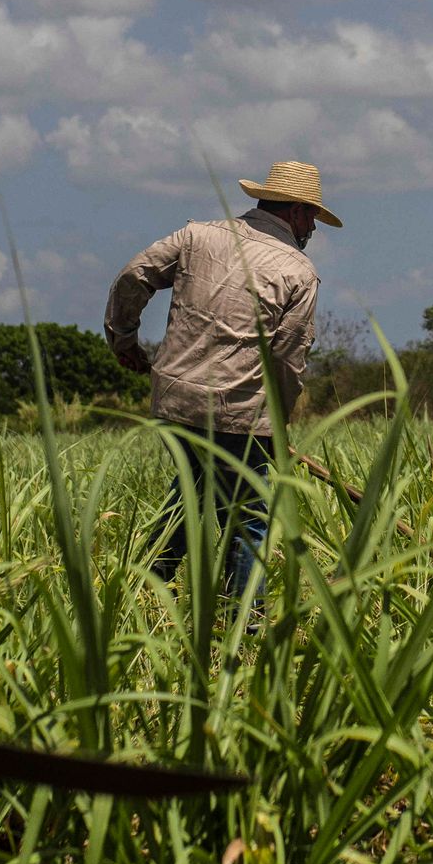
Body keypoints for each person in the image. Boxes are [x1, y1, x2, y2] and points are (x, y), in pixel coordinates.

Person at [105, 162, 336, 604]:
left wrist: (123, 339)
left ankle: (147, 590)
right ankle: (244, 623)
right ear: (297, 213)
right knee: (249, 516)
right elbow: (288, 360)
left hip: (174, 401)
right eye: (311, 217)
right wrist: (277, 426)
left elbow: (135, 275)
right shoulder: (298, 271)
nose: (312, 228)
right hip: (238, 412)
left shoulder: (197, 236)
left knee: (192, 493)